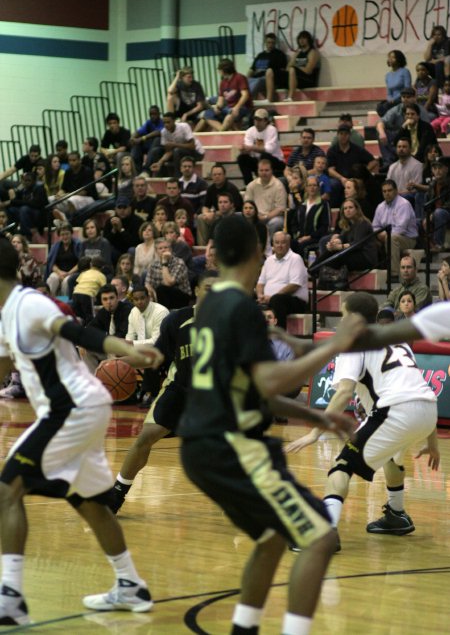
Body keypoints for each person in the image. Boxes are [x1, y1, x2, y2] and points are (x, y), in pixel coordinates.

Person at [177, 215, 361, 635]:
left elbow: (247, 389)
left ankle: (245, 629)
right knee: (319, 536)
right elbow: (272, 379)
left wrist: (316, 416)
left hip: (200, 446)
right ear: (258, 252)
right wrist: (337, 344)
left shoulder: (208, 306)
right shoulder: (240, 306)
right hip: (233, 447)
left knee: (273, 535)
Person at [0, 238, 162, 624]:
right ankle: (130, 584)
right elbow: (7, 360)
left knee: (7, 490)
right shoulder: (8, 313)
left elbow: (78, 333)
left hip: (70, 407)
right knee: (90, 503)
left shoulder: (30, 303)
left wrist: (125, 350)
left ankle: (9, 598)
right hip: (82, 408)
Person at [286, 292, 439, 550]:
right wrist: (432, 444)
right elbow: (420, 391)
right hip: (427, 411)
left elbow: (344, 392)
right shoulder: (396, 341)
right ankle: (396, 515)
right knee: (390, 457)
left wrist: (315, 433)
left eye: (343, 316)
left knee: (342, 465)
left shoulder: (353, 342)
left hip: (395, 410)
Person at [110, 271, 218, 514]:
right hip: (179, 390)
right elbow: (155, 358)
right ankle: (116, 494)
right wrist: (121, 365)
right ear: (197, 291)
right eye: (210, 289)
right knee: (145, 438)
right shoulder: (177, 320)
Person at [256, 231, 309, 328]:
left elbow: (294, 285)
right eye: (277, 242)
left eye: (283, 242)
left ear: (288, 244)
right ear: (273, 244)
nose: (280, 245)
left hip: (295, 301)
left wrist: (272, 297)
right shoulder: (269, 260)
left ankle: (279, 338)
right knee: (247, 296)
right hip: (272, 299)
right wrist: (260, 295)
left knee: (278, 300)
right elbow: (260, 283)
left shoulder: (295, 259)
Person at [311, 198, 377, 273]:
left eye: (350, 207)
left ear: (357, 209)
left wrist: (340, 246)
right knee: (331, 252)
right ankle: (312, 269)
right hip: (354, 254)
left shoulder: (363, 223)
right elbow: (342, 237)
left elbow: (357, 244)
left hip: (365, 257)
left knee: (338, 258)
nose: (347, 210)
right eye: (345, 208)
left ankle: (316, 271)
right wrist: (334, 243)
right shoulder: (348, 224)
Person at [80, 283, 133, 373]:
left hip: (127, 348)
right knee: (86, 349)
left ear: (117, 298)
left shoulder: (128, 310)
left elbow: (121, 334)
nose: (108, 302)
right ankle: (95, 381)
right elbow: (90, 329)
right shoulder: (103, 312)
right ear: (101, 301)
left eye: (111, 298)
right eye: (105, 299)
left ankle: (113, 383)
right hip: (109, 349)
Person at [371, 180, 418, 277]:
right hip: (386, 236)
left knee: (391, 238)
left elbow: (401, 229)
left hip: (408, 238)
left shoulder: (404, 204)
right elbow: (375, 226)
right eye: (384, 191)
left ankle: (394, 273)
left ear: (396, 191)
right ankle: (376, 270)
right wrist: (379, 234)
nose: (387, 193)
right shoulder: (380, 207)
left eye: (389, 190)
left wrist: (385, 235)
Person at [326, 125, 377, 208]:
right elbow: (330, 170)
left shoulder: (357, 149)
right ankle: (333, 208)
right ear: (337, 135)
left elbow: (373, 161)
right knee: (333, 184)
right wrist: (342, 178)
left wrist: (363, 171)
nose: (343, 136)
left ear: (349, 136)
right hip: (339, 179)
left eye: (345, 134)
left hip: (355, 178)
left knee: (370, 182)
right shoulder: (332, 150)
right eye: (341, 134)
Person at [196, 58, 252, 132]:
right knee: (206, 114)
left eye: (219, 70)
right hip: (228, 108)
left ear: (223, 70)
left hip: (243, 107)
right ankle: (193, 136)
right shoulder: (223, 82)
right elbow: (220, 100)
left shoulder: (239, 78)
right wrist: (217, 107)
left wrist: (237, 107)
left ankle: (221, 133)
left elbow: (245, 95)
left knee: (230, 116)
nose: (219, 72)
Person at [237, 108, 285, 184]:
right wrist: (243, 150)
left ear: (266, 121)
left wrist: (251, 148)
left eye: (259, 120)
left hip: (275, 161)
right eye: (255, 119)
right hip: (258, 160)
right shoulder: (250, 131)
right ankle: (249, 184)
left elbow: (269, 149)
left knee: (264, 156)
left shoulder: (272, 130)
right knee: (242, 158)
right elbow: (248, 147)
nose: (257, 122)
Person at [149, 112, 204, 177]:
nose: (166, 125)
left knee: (177, 151)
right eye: (164, 123)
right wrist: (159, 162)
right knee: (156, 151)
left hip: (197, 153)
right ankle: (160, 176)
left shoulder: (184, 126)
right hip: (178, 152)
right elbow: (169, 152)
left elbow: (192, 146)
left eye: (168, 122)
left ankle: (178, 178)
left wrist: (174, 145)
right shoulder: (164, 132)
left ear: (174, 121)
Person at [286, 178, 330, 259]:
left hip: (316, 238)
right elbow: (294, 223)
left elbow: (324, 227)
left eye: (314, 185)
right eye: (309, 185)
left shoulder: (323, 204)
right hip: (301, 237)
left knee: (302, 246)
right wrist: (297, 235)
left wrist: (309, 237)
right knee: (289, 243)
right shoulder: (302, 205)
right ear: (306, 188)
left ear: (318, 188)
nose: (312, 188)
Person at [244, 159, 287, 238]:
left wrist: (265, 217)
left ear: (271, 171)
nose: (264, 173)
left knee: (276, 222)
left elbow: (281, 209)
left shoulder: (278, 186)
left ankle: (269, 247)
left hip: (272, 218)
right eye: (261, 170)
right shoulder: (251, 185)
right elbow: (247, 204)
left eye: (266, 170)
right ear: (258, 171)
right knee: (238, 217)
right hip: (255, 216)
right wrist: (255, 216)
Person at [145, 238, 191, 309]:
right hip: (161, 297)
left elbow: (169, 283)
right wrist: (153, 295)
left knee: (162, 289)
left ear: (171, 250)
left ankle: (164, 314)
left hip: (181, 297)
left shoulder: (179, 263)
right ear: (156, 251)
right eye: (160, 248)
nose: (163, 250)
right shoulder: (153, 265)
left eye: (166, 247)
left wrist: (164, 263)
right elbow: (148, 285)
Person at [246, 32, 288, 102]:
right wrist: (245, 79)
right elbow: (252, 69)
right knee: (246, 80)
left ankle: (247, 99)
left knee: (257, 81)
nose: (270, 45)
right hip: (257, 77)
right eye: (268, 42)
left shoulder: (279, 54)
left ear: (275, 43)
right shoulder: (260, 55)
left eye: (272, 43)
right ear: (265, 42)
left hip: (268, 78)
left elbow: (282, 70)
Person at [45, 223, 82, 296]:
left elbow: (80, 263)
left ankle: (64, 302)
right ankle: (50, 300)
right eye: (62, 234)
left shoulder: (78, 245)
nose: (65, 236)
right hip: (59, 272)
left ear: (71, 234)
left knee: (66, 281)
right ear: (59, 236)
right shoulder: (55, 246)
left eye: (67, 234)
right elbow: (51, 263)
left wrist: (68, 273)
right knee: (52, 278)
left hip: (73, 273)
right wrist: (59, 272)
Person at [424, 155, 450, 252]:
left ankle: (439, 244)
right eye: (435, 168)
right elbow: (428, 205)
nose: (437, 171)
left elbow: (448, 205)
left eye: (440, 168)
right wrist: (426, 217)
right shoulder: (432, 185)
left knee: (439, 213)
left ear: (446, 169)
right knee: (417, 222)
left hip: (446, 214)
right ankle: (427, 246)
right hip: (436, 214)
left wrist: (433, 214)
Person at [386, 137, 423, 202]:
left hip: (409, 198)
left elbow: (417, 189)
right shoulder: (392, 167)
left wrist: (398, 195)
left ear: (410, 149)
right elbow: (388, 186)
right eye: (399, 147)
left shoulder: (418, 165)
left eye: (404, 147)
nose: (401, 149)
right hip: (394, 197)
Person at [286, 30, 320, 100]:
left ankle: (290, 97)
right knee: (277, 73)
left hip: (308, 80)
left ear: (308, 40)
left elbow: (308, 70)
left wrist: (296, 68)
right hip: (297, 78)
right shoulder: (297, 53)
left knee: (292, 70)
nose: (301, 40)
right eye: (300, 38)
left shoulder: (312, 52)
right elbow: (288, 67)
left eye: (304, 38)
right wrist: (296, 68)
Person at [72, 256, 107, 324]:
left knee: (77, 315)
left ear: (91, 264)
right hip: (87, 295)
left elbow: (78, 282)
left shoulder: (84, 273)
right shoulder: (101, 276)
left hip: (75, 293)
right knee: (89, 316)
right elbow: (104, 289)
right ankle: (89, 331)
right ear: (103, 267)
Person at [377, 50, 412, 117]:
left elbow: (407, 88)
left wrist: (394, 99)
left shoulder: (405, 71)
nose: (390, 59)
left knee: (387, 107)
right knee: (380, 107)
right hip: (391, 101)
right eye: (389, 57)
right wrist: (390, 99)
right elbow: (389, 93)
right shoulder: (388, 75)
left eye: (393, 57)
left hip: (403, 99)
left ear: (399, 59)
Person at [423, 25, 450, 89]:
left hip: (445, 65)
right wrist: (429, 45)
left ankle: (440, 88)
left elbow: (447, 57)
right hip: (436, 65)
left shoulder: (447, 42)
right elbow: (427, 58)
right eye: (434, 35)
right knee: (422, 67)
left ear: (443, 35)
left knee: (439, 65)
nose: (436, 37)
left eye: (439, 35)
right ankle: (422, 96)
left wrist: (435, 61)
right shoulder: (433, 44)